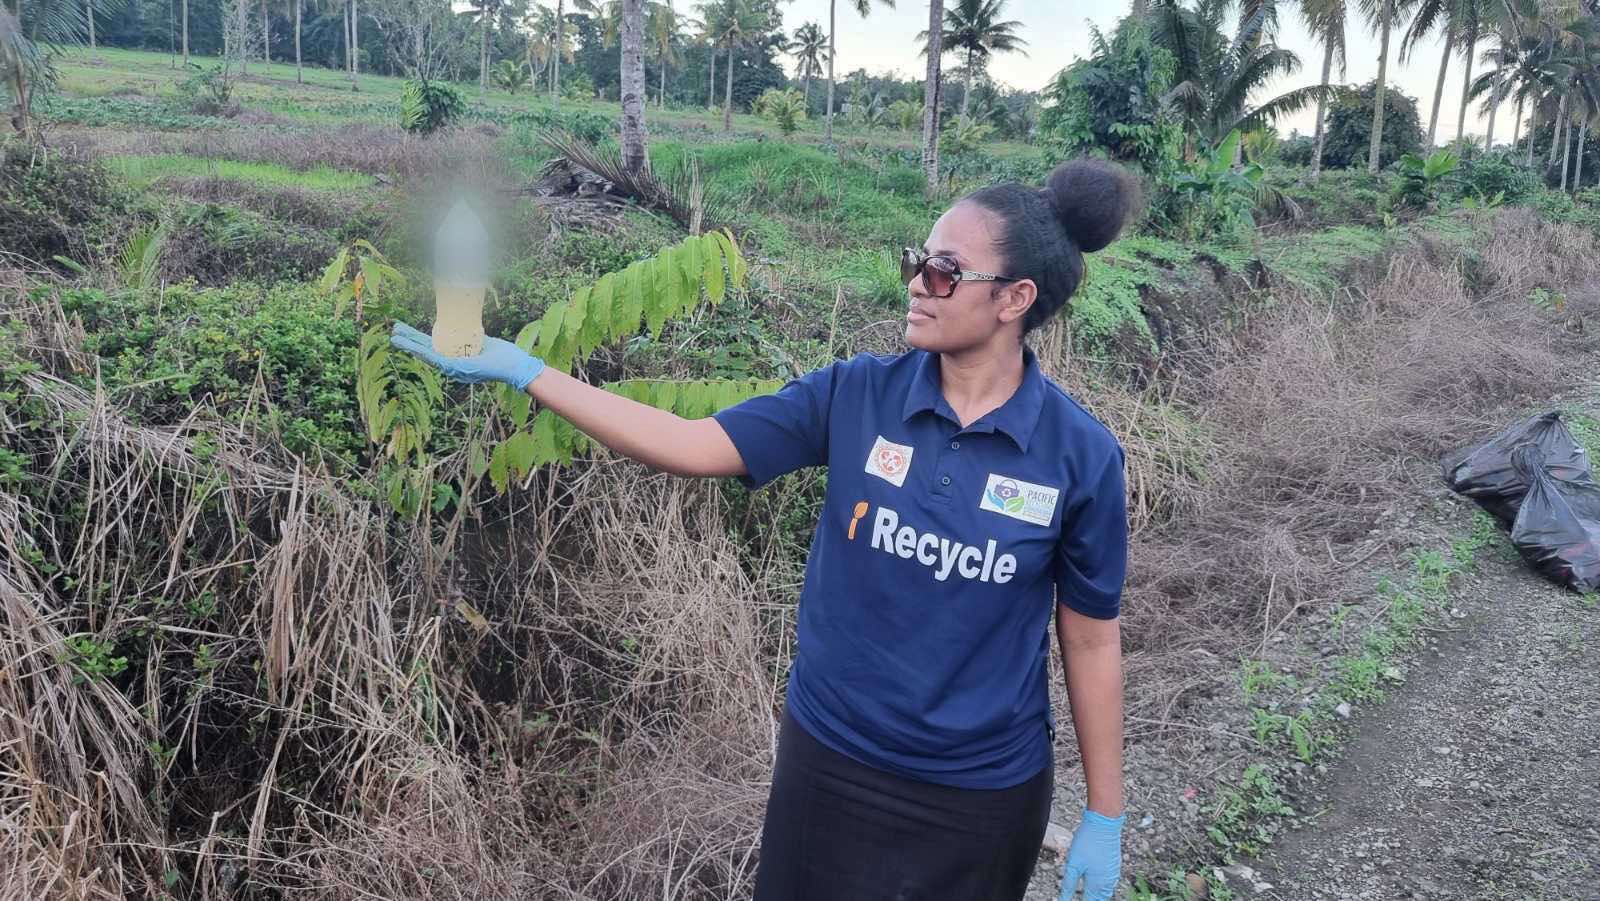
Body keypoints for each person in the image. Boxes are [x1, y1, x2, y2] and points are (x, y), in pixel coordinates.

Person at [390, 158, 1139, 901]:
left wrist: (1104, 814)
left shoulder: (1080, 456)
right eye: (916, 260)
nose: (916, 282)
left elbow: (1090, 638)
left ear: (1015, 298)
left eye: (945, 271)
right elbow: (691, 443)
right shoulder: (853, 395)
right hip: (833, 761)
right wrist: (529, 371)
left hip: (980, 796)